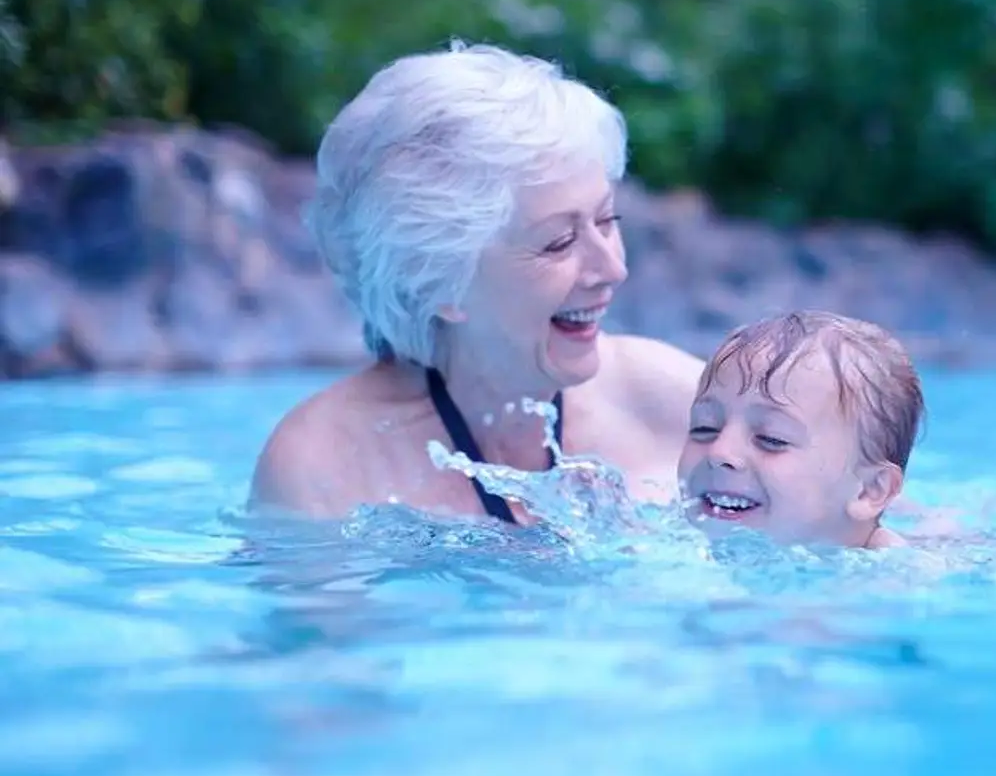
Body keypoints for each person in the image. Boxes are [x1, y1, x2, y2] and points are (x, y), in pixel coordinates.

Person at [248, 42, 704, 523]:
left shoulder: (680, 407)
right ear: (442, 282)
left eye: (607, 220)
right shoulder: (322, 473)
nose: (612, 268)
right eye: (559, 242)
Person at [679, 310, 923, 549]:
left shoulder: (898, 579)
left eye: (771, 439)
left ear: (869, 490)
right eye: (705, 428)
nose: (719, 452)